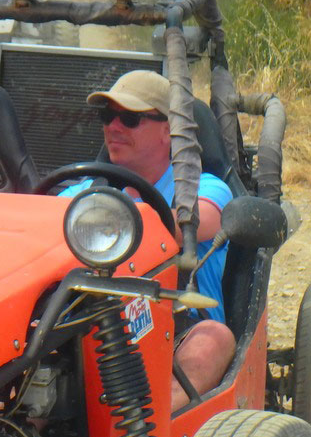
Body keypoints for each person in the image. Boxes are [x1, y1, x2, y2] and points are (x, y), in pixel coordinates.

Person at [77, 70, 235, 412]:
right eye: (108, 116)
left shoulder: (204, 190)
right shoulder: (86, 192)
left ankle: (157, 435)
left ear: (169, 130)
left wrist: (108, 218)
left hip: (177, 325)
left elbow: (196, 222)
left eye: (130, 118)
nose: (113, 127)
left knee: (214, 340)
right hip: (86, 324)